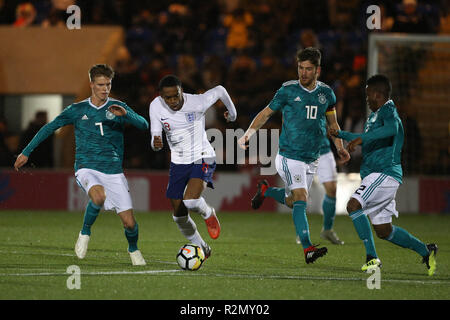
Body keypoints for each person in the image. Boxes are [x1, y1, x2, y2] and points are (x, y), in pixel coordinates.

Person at [14, 64, 149, 266]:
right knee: (98, 196)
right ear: (91, 85)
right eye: (101, 84)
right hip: (87, 167)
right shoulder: (77, 110)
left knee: (130, 224)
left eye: (108, 84)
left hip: (112, 170)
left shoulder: (118, 107)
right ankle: (85, 232)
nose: (105, 89)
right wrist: (26, 151)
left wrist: (126, 115)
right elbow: (50, 127)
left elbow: (144, 125)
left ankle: (133, 249)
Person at [238, 47, 350, 264]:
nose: (303, 73)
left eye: (308, 69)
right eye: (300, 68)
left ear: (318, 70)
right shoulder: (287, 91)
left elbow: (332, 123)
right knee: (301, 198)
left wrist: (339, 146)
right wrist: (248, 135)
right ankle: (308, 248)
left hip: (312, 157)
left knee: (292, 200)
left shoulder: (326, 94)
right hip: (289, 156)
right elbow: (265, 113)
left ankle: (266, 191)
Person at [329, 74, 437, 275]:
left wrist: (360, 140)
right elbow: (363, 137)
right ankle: (426, 250)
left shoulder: (389, 111)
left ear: (377, 94)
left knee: (353, 205)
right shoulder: (374, 117)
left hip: (384, 173)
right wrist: (341, 135)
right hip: (376, 175)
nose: (367, 99)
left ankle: (372, 258)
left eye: (368, 95)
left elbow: (392, 128)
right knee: (384, 230)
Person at [149, 75, 237, 259]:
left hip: (202, 156)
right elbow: (155, 136)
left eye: (176, 96)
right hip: (178, 161)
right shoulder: (155, 106)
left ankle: (208, 212)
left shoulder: (197, 102)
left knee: (190, 201)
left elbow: (220, 89)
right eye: (168, 98)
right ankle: (201, 246)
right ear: (161, 96)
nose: (173, 101)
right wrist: (155, 143)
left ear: (182, 91)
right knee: (179, 214)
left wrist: (232, 113)